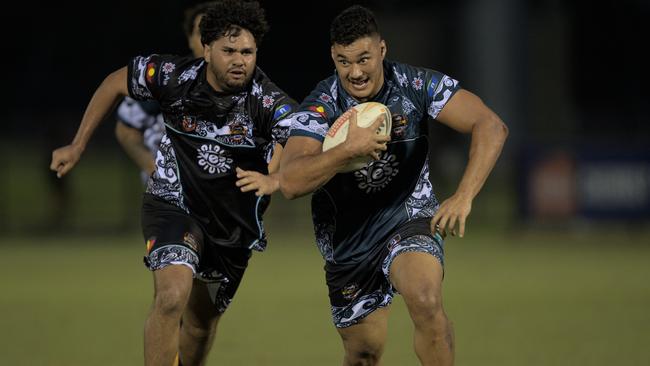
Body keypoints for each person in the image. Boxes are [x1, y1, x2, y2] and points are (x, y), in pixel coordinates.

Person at [50, 1, 296, 365]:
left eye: (247, 51)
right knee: (170, 297)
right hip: (173, 203)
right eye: (229, 51)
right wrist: (78, 144)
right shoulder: (172, 75)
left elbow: (305, 143)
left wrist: (277, 177)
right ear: (206, 48)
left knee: (199, 325)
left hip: (233, 226)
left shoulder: (267, 99)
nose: (239, 60)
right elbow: (114, 82)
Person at [279, 5, 508, 366]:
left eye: (364, 59)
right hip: (347, 241)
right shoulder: (322, 106)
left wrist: (464, 195)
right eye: (343, 61)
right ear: (333, 58)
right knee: (364, 353)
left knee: (426, 300)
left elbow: (490, 125)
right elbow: (290, 182)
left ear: (382, 50)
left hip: (408, 217)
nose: (354, 72)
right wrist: (346, 151)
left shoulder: (415, 85)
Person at [115, 2, 213, 184]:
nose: (208, 42)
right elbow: (125, 128)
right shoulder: (170, 79)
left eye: (216, 34)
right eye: (202, 34)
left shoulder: (247, 87)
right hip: (170, 200)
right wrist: (153, 168)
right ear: (190, 39)